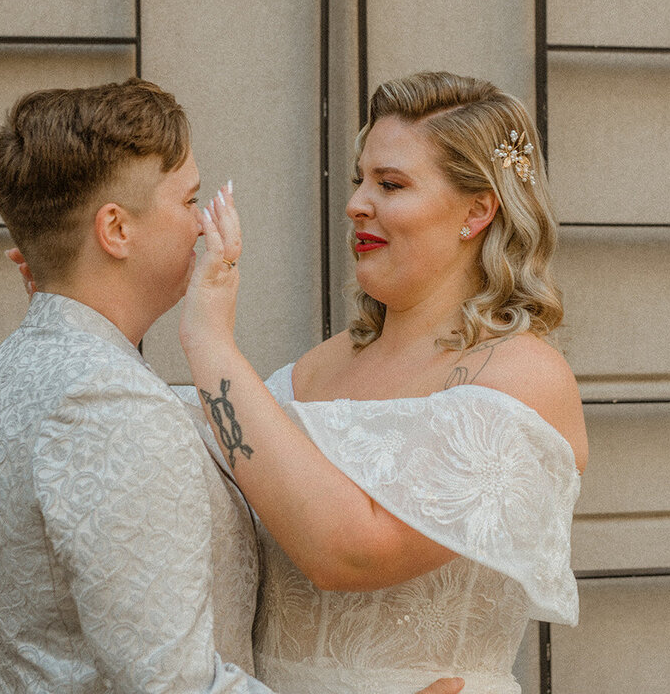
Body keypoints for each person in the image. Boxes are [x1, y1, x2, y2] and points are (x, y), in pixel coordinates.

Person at [0, 77, 465, 694]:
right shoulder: (105, 403)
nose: (202, 225)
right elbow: (172, 684)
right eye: (187, 199)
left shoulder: (15, 369)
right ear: (115, 230)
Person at [180, 70, 587, 694]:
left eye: (390, 184)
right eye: (359, 180)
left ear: (478, 210)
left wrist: (209, 339)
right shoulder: (314, 370)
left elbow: (352, 553)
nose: (356, 204)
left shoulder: (521, 375)